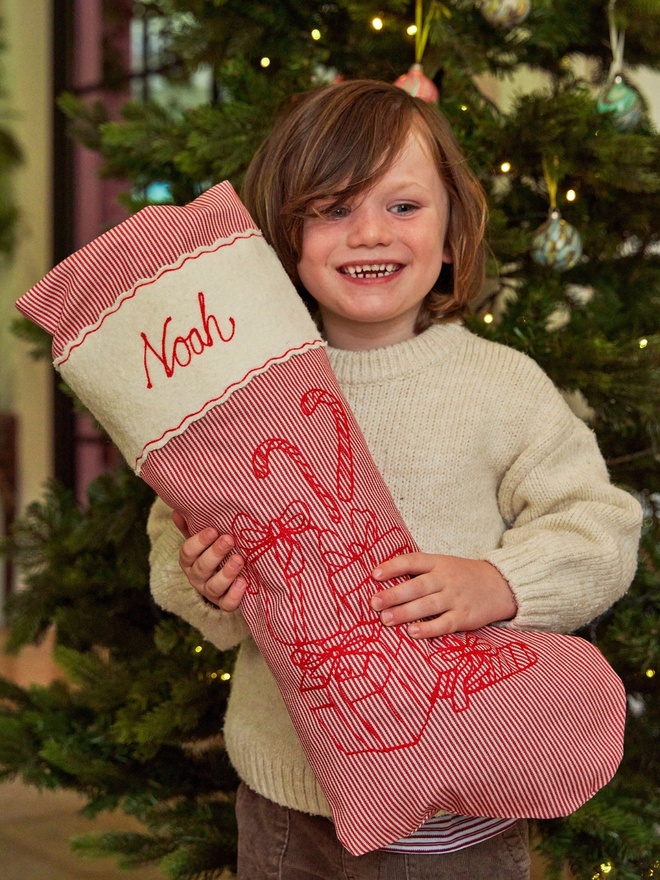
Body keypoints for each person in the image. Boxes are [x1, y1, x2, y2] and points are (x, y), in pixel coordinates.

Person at [147, 79, 642, 880]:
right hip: (288, 811)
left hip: (464, 816)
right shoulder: (236, 393)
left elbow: (601, 525)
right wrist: (201, 578)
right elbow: (179, 544)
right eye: (334, 208)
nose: (369, 233)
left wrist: (503, 581)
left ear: (452, 230)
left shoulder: (500, 385)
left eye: (403, 207)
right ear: (286, 236)